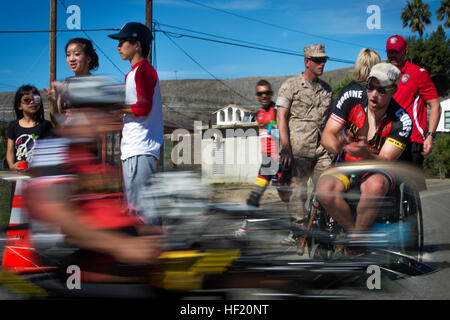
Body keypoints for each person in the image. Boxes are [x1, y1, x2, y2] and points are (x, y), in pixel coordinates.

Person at [22, 100, 163, 286]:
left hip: (112, 256)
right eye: (100, 113)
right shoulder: (56, 148)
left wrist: (151, 233)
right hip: (79, 266)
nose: (106, 121)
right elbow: (60, 218)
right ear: (79, 113)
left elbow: (109, 212)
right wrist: (123, 246)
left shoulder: (88, 156)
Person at [316, 62, 412, 235]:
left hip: (377, 169)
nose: (374, 94)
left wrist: (366, 153)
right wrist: (337, 145)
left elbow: (386, 161)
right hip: (348, 164)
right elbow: (328, 135)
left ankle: (355, 240)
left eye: (382, 90)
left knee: (375, 186)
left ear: (393, 91)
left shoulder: (402, 120)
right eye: (370, 86)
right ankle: (355, 235)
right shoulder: (351, 97)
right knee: (324, 189)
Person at [276, 44, 333, 250]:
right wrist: (285, 145)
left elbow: (331, 120)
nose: (322, 64)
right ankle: (299, 233)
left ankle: (325, 228)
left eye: (324, 60)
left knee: (328, 189)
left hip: (322, 150)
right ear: (306, 61)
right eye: (318, 60)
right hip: (298, 149)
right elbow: (281, 115)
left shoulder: (327, 89)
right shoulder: (291, 85)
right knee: (297, 194)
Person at [108, 22, 163, 220]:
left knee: (144, 211)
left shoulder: (143, 71)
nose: (118, 46)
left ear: (137, 45)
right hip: (134, 149)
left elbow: (142, 108)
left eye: (123, 42)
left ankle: (154, 248)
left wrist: (116, 107)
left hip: (141, 148)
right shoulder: (132, 74)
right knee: (137, 210)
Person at [386, 35, 442, 168]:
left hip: (412, 140)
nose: (392, 55)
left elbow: (435, 106)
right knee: (386, 185)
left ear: (405, 52)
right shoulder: (384, 74)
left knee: (410, 188)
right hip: (388, 138)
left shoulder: (418, 73)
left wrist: (430, 136)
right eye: (389, 51)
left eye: (396, 51)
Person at [246, 79, 291, 208]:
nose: (264, 96)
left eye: (267, 93)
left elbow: (284, 134)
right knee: (253, 198)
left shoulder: (277, 111)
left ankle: (299, 223)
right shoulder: (259, 115)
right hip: (267, 161)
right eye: (260, 94)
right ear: (256, 96)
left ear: (271, 93)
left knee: (286, 197)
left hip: (280, 161)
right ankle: (246, 225)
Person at [44, 37, 99, 126]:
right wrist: (54, 101)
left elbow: (101, 117)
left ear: (88, 59)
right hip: (69, 136)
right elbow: (57, 120)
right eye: (68, 55)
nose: (71, 59)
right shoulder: (65, 83)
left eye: (77, 54)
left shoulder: (96, 83)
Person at [6, 85, 52, 171]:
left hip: (39, 177)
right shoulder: (13, 125)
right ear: (19, 105)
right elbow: (10, 150)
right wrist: (12, 166)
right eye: (27, 100)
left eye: (36, 99)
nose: (32, 102)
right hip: (19, 176)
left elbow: (49, 151)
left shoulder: (46, 125)